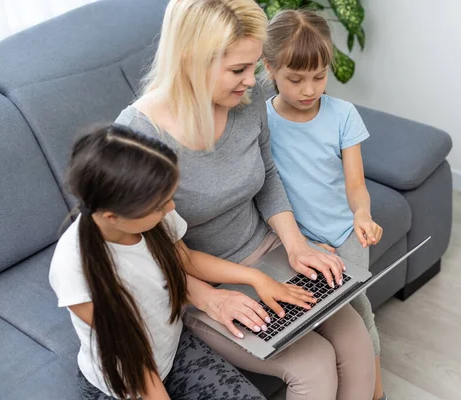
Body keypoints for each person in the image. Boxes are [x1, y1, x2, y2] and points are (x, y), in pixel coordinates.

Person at [114, 1, 375, 399]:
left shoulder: (245, 106)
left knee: (355, 340)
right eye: (238, 70)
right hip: (206, 283)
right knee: (315, 366)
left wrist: (296, 245)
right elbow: (143, 251)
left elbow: (268, 176)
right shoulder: (138, 135)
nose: (252, 82)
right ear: (191, 60)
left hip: (268, 251)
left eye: (253, 68)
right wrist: (210, 298)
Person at [49, 125, 313, 399]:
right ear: (111, 216)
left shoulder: (149, 217)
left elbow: (185, 259)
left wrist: (256, 278)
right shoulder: (75, 271)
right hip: (126, 378)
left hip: (172, 349)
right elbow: (136, 362)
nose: (171, 209)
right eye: (160, 206)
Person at [263, 9, 387, 400]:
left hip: (345, 233)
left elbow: (355, 184)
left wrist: (362, 215)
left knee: (357, 311)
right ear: (269, 69)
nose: (309, 90)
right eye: (295, 79)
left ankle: (375, 392)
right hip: (297, 242)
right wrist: (297, 242)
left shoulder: (343, 115)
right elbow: (265, 189)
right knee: (320, 318)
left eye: (319, 77)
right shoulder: (261, 121)